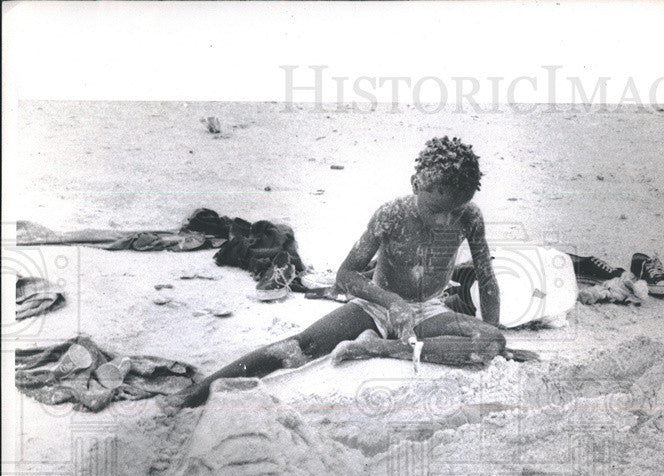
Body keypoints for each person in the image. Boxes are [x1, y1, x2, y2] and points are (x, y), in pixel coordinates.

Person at [165, 136, 515, 412]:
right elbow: (345, 277)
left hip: (429, 310)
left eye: (454, 211)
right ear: (415, 184)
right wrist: (391, 301)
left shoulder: (470, 216)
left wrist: (495, 333)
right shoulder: (391, 215)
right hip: (375, 307)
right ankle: (194, 394)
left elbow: (485, 277)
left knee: (491, 342)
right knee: (296, 348)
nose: (444, 221)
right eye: (437, 210)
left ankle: (385, 348)